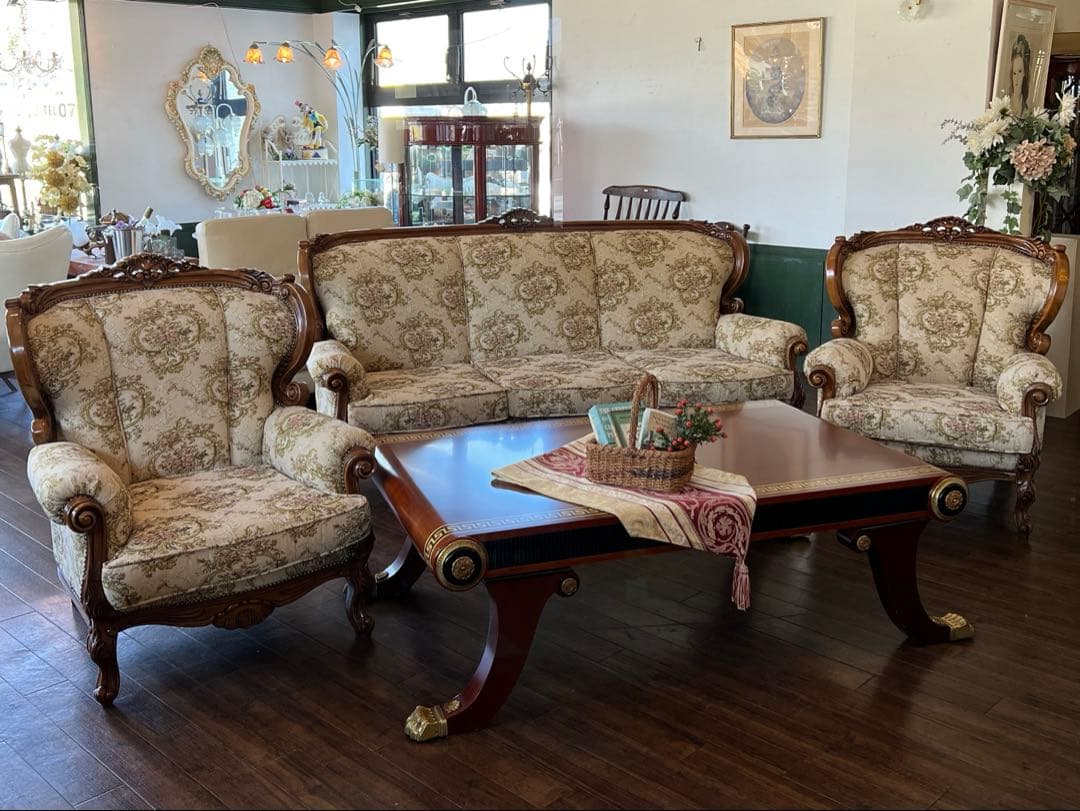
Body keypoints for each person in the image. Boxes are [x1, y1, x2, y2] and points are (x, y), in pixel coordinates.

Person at [1007, 34, 1032, 116]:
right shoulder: (1006, 103)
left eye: (1020, 72)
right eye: (1014, 73)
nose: (1016, 79)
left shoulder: (1026, 108)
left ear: (1024, 73)